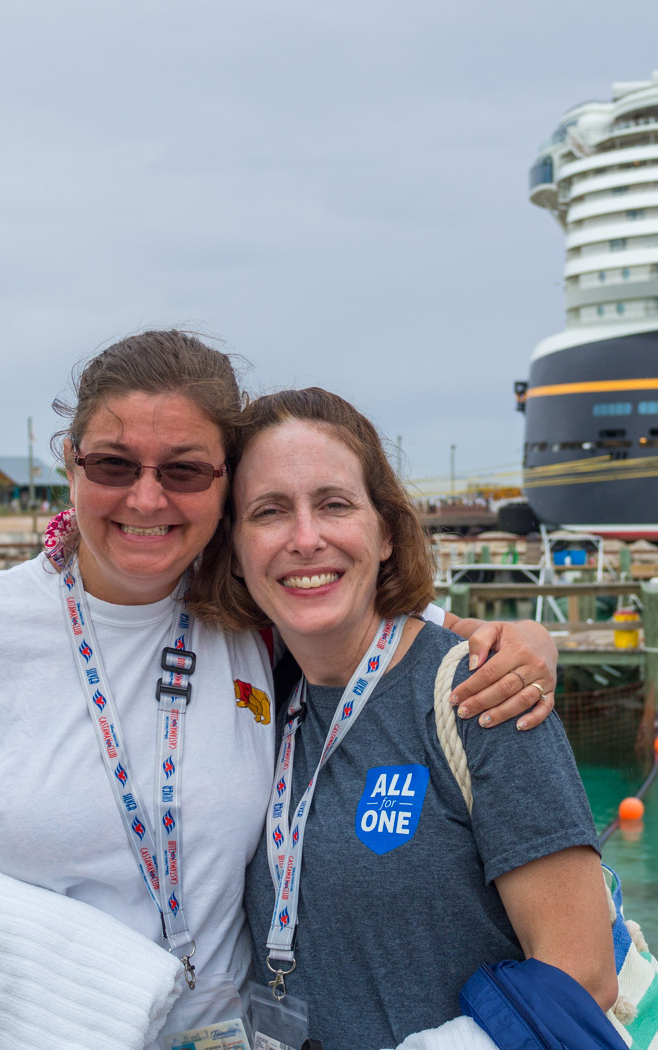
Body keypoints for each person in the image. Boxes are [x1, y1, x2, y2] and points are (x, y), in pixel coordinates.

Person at [0, 331, 558, 1034]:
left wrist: (525, 643)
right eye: (114, 465)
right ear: (71, 461)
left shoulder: (254, 619)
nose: (147, 498)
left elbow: (387, 617)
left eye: (185, 470)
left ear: (225, 487)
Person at [192, 388, 617, 1050]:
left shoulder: (481, 691)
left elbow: (583, 975)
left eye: (335, 504)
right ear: (237, 553)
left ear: (386, 532)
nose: (306, 539)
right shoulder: (257, 699)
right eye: (269, 512)